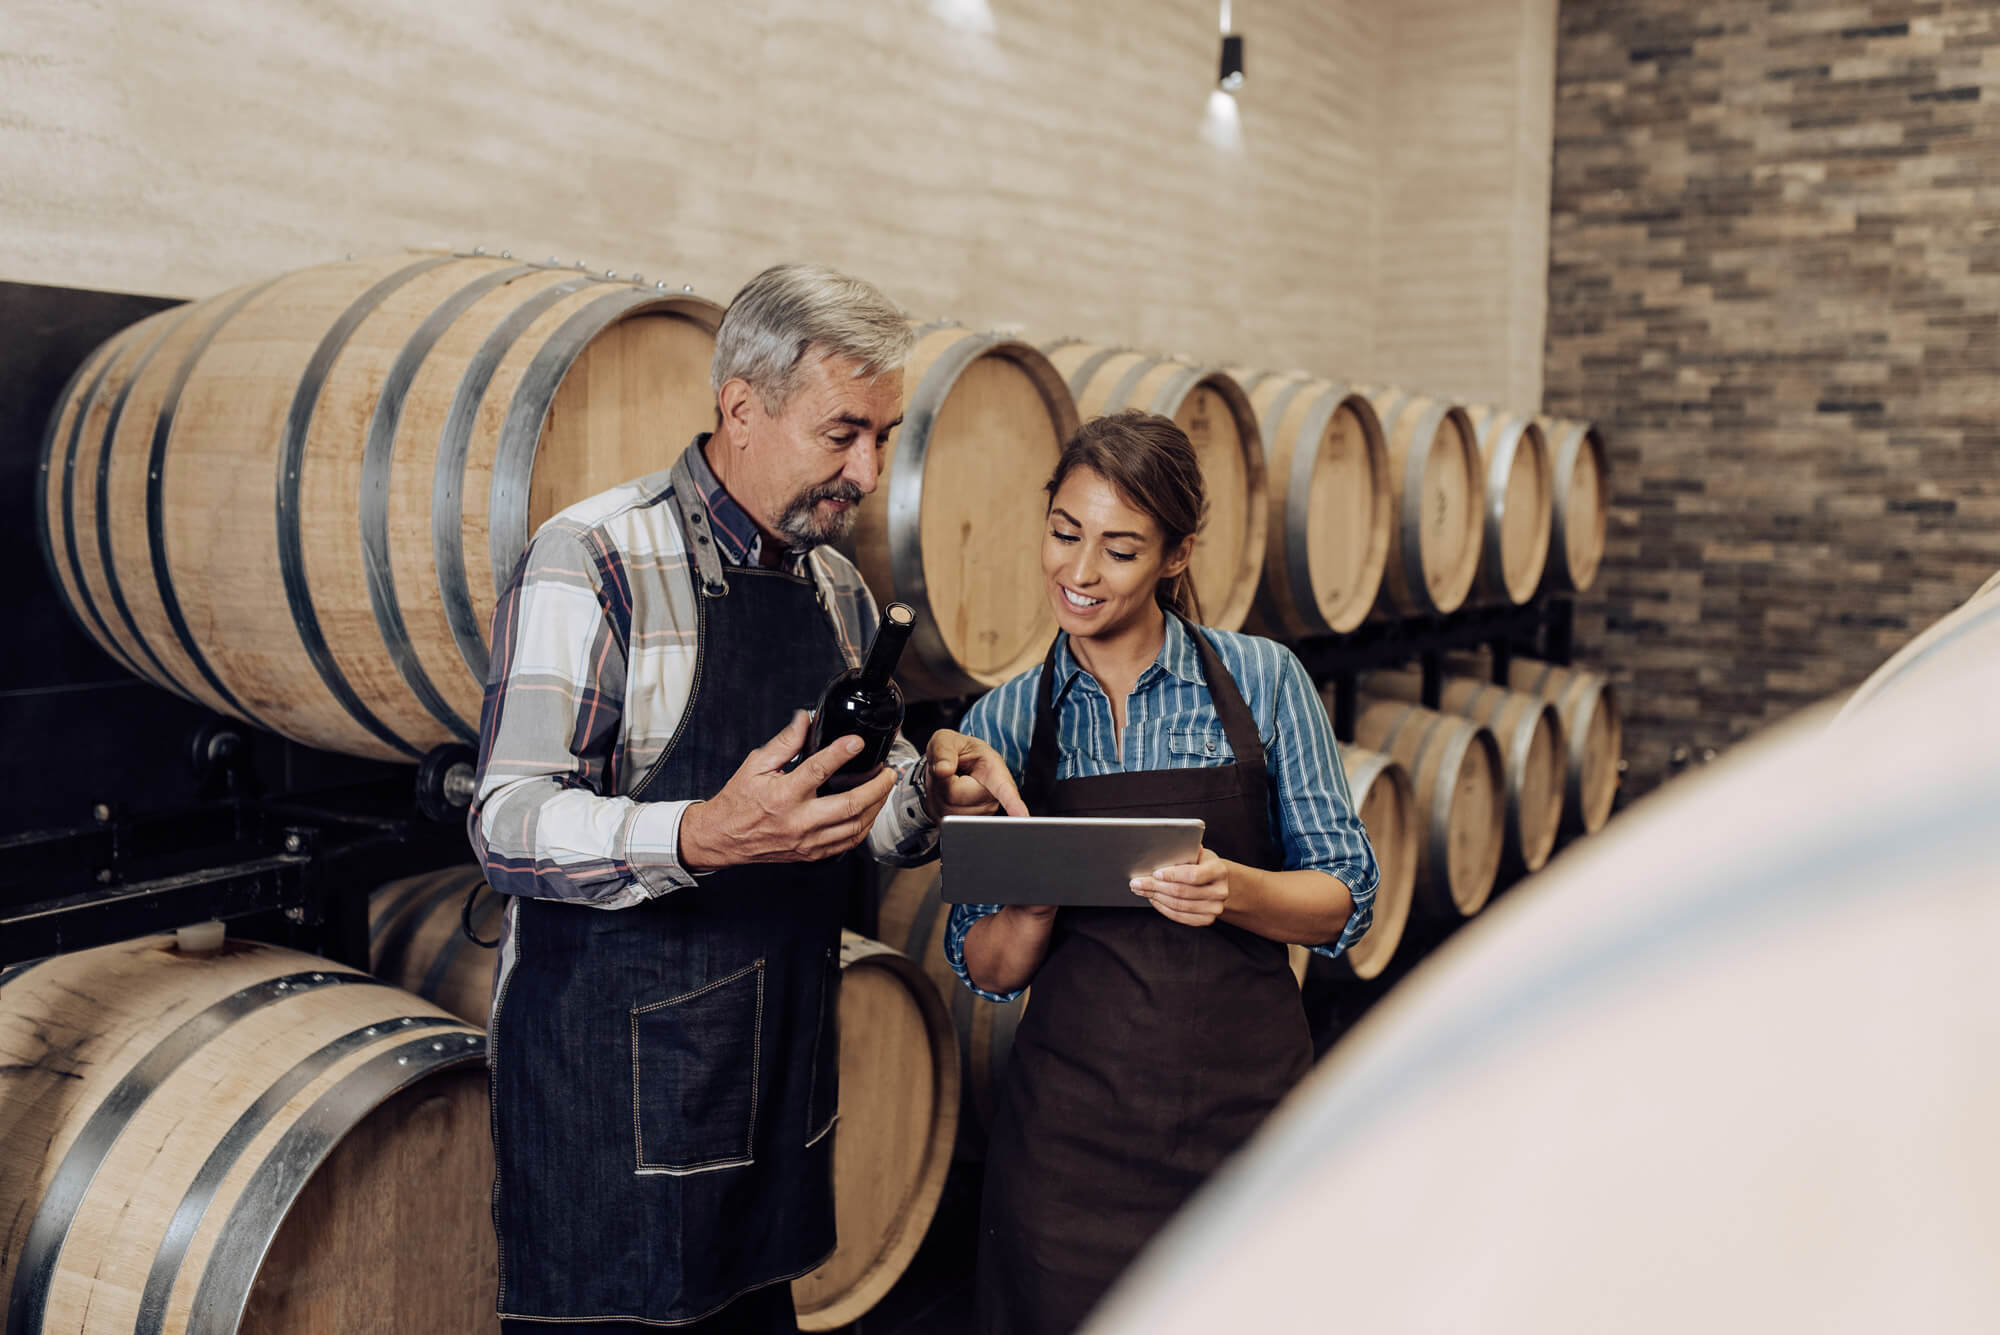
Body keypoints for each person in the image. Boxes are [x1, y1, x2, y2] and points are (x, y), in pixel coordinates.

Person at [469, 263, 1026, 1335]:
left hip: (769, 1088)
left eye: (885, 435)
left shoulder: (835, 588)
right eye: (842, 433)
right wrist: (700, 833)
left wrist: (930, 796)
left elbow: (867, 804)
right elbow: (505, 821)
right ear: (740, 408)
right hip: (610, 1101)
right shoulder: (594, 559)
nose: (868, 471)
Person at [944, 410, 1380, 1335]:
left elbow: (1344, 895)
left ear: (1177, 556)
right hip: (1068, 1153)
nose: (1080, 572)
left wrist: (1237, 887)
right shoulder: (1007, 719)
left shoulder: (1263, 682)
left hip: (1247, 1129)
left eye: (1120, 548)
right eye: (1064, 534)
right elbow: (985, 969)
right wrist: (1028, 901)